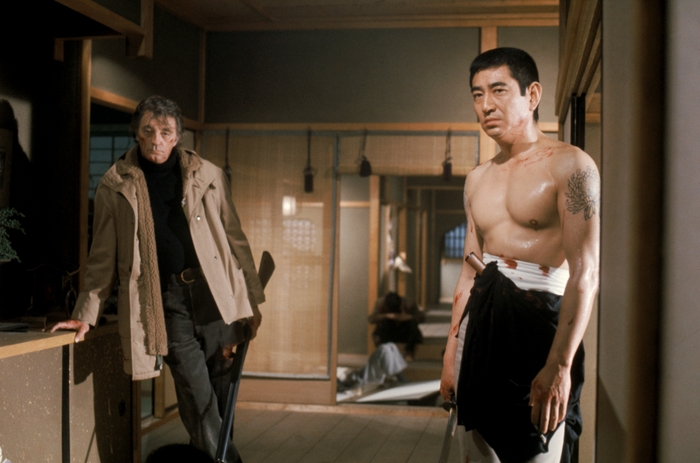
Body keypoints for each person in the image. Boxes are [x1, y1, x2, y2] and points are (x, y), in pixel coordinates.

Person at [47, 95, 265, 463]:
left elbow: (235, 240)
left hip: (216, 296)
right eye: (148, 131)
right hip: (167, 301)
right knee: (197, 397)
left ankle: (213, 458)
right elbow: (102, 258)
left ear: (178, 136)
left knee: (221, 395)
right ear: (136, 133)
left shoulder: (209, 175)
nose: (156, 140)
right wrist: (85, 313)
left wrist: (252, 302)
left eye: (165, 132)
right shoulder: (115, 184)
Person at [439, 48, 600, 463]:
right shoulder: (477, 179)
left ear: (532, 95)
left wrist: (560, 364)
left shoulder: (571, 165)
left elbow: (585, 272)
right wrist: (450, 356)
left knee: (538, 449)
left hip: (540, 323)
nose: (486, 105)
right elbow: (469, 273)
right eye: (477, 94)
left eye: (498, 90)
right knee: (477, 452)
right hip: (481, 325)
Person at [368, 291, 425, 361]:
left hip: (405, 331)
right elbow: (371, 318)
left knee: (413, 324)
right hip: (390, 331)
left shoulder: (409, 303)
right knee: (382, 324)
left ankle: (409, 352)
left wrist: (408, 317)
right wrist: (387, 316)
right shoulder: (380, 303)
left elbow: (422, 318)